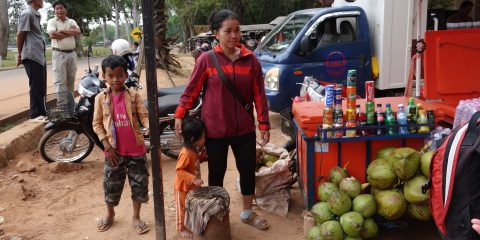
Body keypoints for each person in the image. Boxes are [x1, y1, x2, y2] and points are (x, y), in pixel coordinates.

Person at [174, 9, 270, 230]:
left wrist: (264, 123)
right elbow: (191, 90)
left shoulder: (251, 60)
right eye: (228, 31)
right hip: (215, 130)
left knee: (247, 170)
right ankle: (218, 214)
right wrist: (180, 113)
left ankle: (247, 211)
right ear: (216, 34)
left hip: (244, 129)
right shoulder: (207, 60)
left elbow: (259, 95)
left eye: (237, 30)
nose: (234, 35)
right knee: (216, 173)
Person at [92, 55, 150, 234]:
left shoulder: (134, 96)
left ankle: (136, 216)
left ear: (126, 75)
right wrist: (107, 147)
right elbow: (97, 123)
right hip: (113, 153)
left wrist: (148, 127)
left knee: (139, 186)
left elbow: (144, 116)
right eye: (110, 76)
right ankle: (110, 215)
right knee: (111, 186)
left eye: (119, 75)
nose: (115, 79)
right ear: (104, 77)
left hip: (136, 151)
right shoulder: (100, 99)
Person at [174, 117, 206, 238]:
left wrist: (201, 157)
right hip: (182, 188)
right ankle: (181, 228)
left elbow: (193, 164)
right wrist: (193, 178)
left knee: (190, 206)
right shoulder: (186, 153)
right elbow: (179, 170)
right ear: (193, 139)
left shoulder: (193, 149)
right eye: (203, 137)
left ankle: (189, 224)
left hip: (191, 187)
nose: (205, 139)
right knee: (181, 208)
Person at [47, 1, 81, 110]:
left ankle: (71, 106)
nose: (59, 10)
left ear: (65, 9)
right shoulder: (52, 21)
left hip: (72, 54)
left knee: (70, 80)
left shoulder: (71, 21)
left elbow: (78, 31)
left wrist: (61, 32)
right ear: (54, 11)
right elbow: (52, 35)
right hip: (58, 54)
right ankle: (62, 107)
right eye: (57, 9)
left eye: (61, 8)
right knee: (60, 81)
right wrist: (70, 32)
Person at [16, 0, 47, 120]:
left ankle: (42, 112)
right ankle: (35, 114)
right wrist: (19, 54)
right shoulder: (27, 14)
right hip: (31, 54)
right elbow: (20, 34)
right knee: (35, 85)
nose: (43, 1)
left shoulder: (35, 14)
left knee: (40, 84)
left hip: (38, 55)